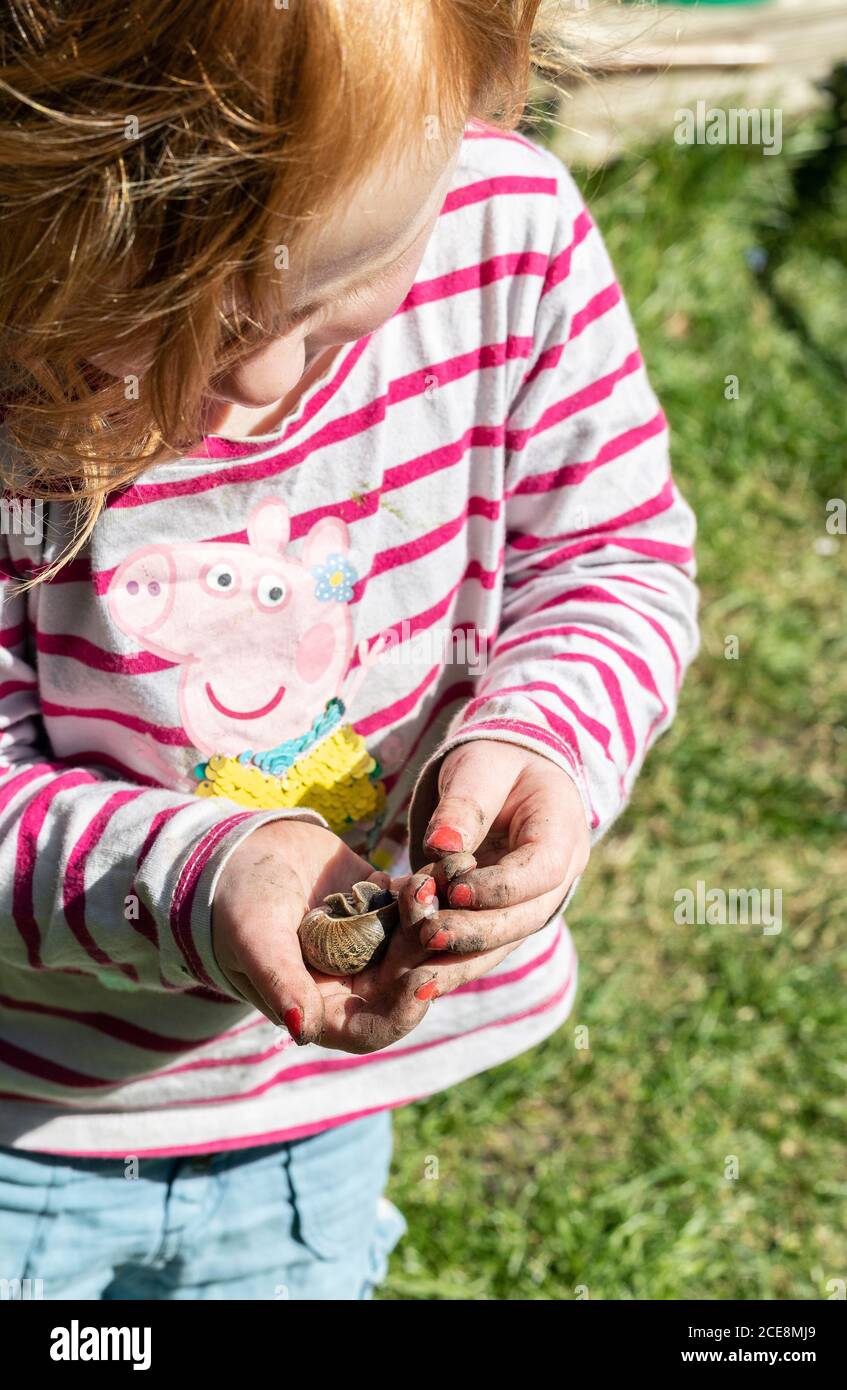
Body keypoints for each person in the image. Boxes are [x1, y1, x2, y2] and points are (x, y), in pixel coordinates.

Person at [0, 0, 698, 1299]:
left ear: (481, 83)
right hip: (25, 1116)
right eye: (170, 306)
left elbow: (608, 558)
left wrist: (538, 737)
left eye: (326, 299)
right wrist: (203, 879)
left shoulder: (510, 245)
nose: (260, 382)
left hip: (311, 1115)